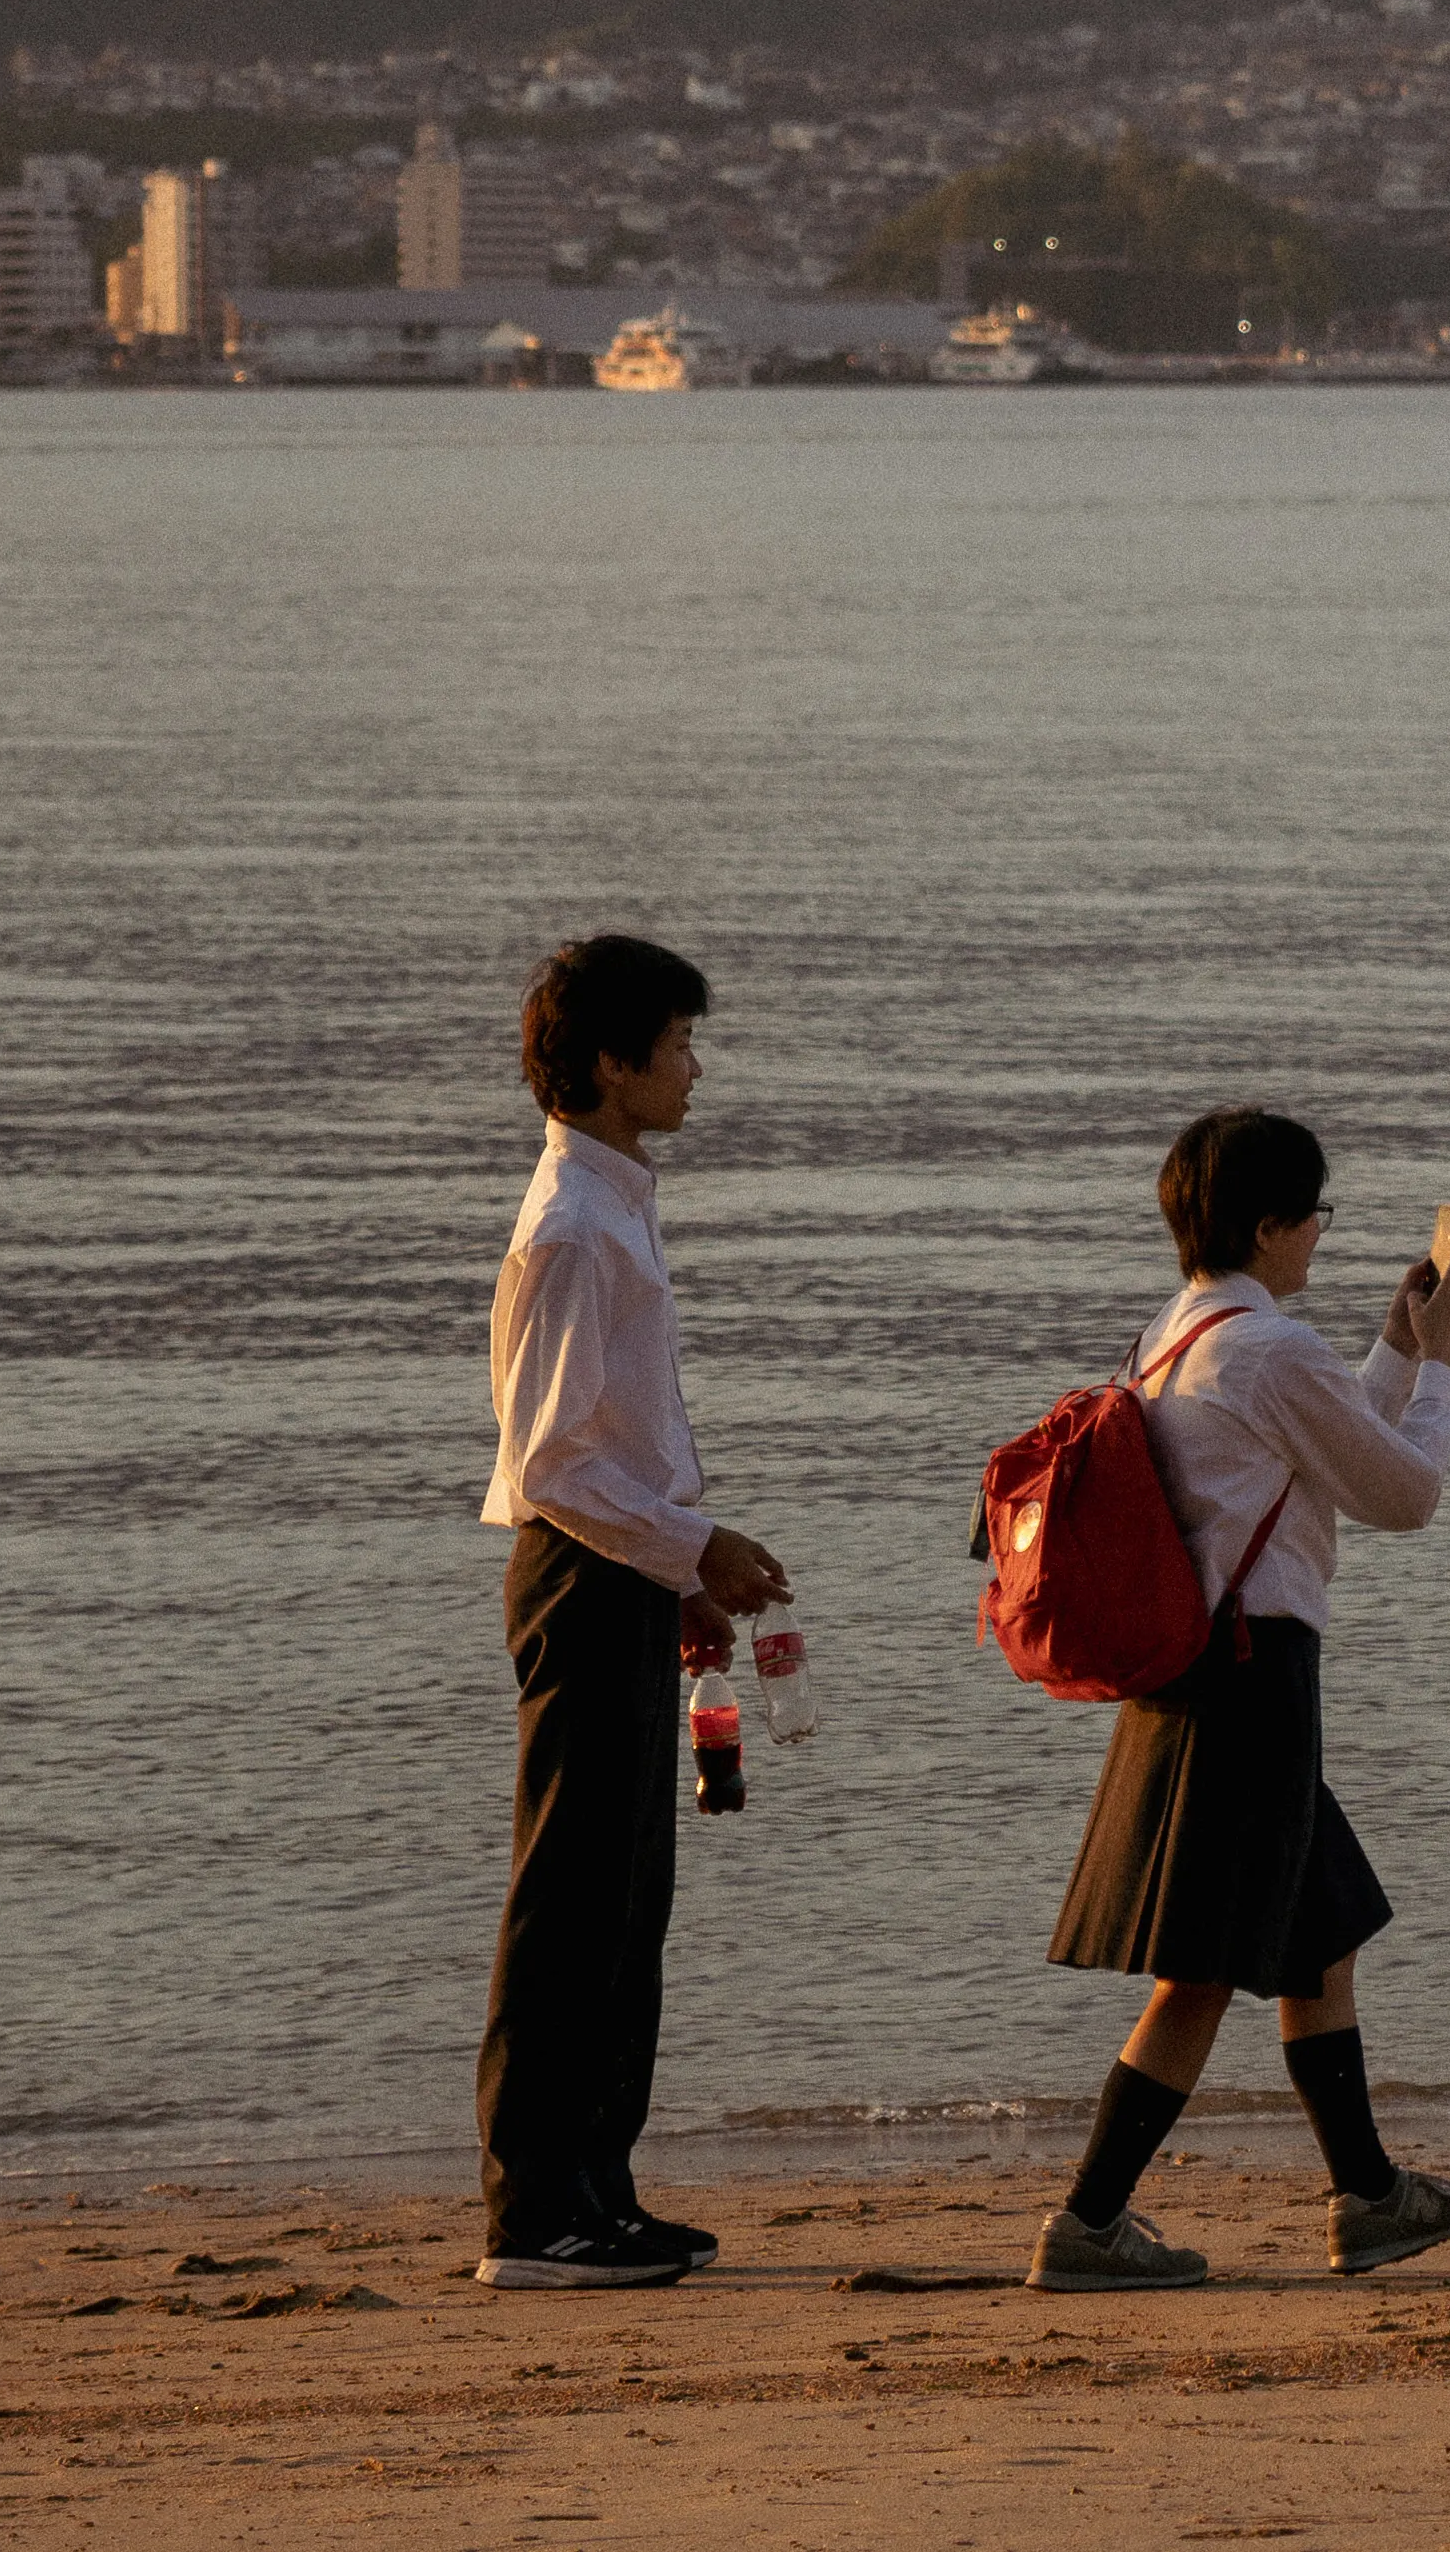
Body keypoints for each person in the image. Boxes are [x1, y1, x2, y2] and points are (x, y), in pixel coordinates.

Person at [1032, 1105, 1450, 2290]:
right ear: (1268, 1223)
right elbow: (1402, 1494)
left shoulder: (1176, 1336)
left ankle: (1367, 2195)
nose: (1317, 1239)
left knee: (1319, 1939)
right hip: (1255, 1679)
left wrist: (1396, 1348)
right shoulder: (1267, 1348)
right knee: (1201, 1968)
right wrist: (1443, 1359)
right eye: (1311, 1218)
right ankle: (1087, 2221)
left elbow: (1320, 1440)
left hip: (1196, 1666)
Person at [471, 931, 792, 2290]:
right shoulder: (573, 1226)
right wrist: (692, 1545)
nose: (693, 1068)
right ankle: (537, 2207)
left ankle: (598, 2183)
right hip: (579, 1566)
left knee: (626, 1898)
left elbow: (616, 1434)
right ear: (611, 1064)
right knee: (572, 1897)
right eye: (673, 1047)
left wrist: (677, 1567)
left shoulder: (610, 1201)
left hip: (620, 1568)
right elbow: (552, 1459)